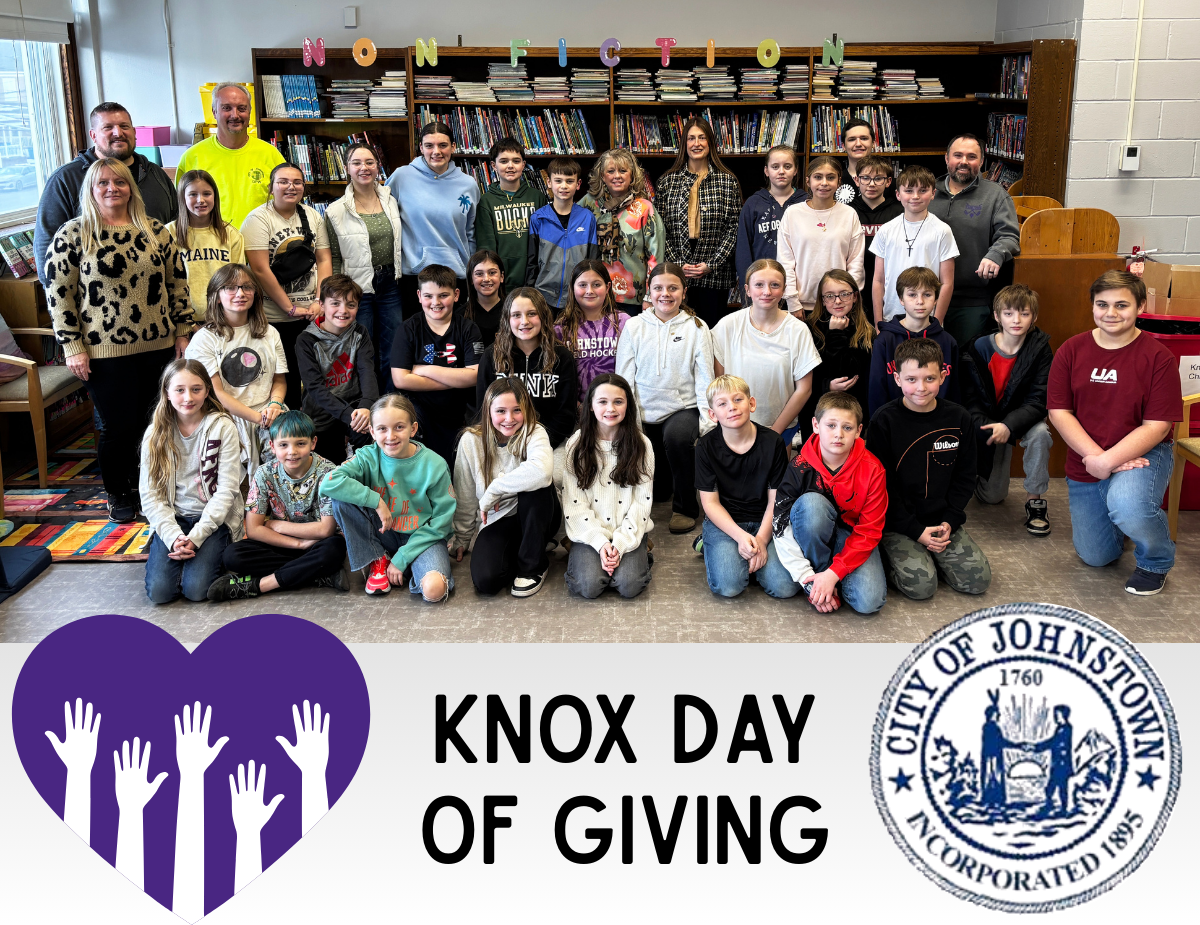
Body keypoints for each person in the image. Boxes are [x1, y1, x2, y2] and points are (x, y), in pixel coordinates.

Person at [45, 157, 192, 524]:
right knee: (118, 427)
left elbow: (177, 284)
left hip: (157, 346)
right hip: (103, 351)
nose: (112, 188)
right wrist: (72, 346)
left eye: (120, 182)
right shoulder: (73, 234)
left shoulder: (156, 230)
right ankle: (119, 491)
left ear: (131, 187)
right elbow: (58, 295)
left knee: (155, 423)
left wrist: (182, 331)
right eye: (103, 183)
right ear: (91, 190)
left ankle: (151, 488)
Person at [1047, 270, 1183, 596]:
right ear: (1092, 306)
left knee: (1129, 506)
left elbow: (1157, 426)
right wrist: (1097, 459)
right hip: (1088, 458)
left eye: (1121, 305)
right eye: (1102, 304)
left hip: (1143, 454)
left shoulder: (1158, 357)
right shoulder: (1071, 350)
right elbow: (1059, 412)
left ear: (1140, 306)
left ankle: (1155, 561)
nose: (1110, 313)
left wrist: (1108, 460)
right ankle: (1122, 516)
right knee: (1096, 557)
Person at [866, 338, 991, 600]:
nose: (921, 388)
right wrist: (915, 531)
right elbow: (881, 487)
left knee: (977, 581)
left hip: (941, 519)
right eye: (911, 379)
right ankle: (893, 559)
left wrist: (950, 520)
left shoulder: (959, 418)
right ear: (897, 378)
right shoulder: (884, 420)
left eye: (929, 379)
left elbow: (966, 476)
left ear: (943, 376)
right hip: (898, 522)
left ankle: (932, 556)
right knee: (922, 588)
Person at [321, 393, 456, 600]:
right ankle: (378, 559)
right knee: (341, 497)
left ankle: (408, 565)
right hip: (383, 533)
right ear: (372, 432)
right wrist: (376, 501)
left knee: (434, 591)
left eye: (399, 427)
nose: (390, 436)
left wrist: (403, 557)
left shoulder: (434, 465)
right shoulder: (367, 455)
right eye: (382, 429)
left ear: (413, 429)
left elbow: (442, 521)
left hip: (423, 538)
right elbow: (329, 482)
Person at [207, 410, 348, 601]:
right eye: (284, 445)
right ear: (272, 446)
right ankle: (316, 574)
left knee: (334, 549)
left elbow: (325, 529)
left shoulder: (329, 473)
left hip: (317, 543)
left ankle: (259, 585)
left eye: (300, 443)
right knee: (233, 555)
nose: (292, 452)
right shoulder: (264, 473)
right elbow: (254, 529)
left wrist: (279, 525)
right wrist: (298, 544)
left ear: (313, 443)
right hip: (283, 542)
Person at [616, 263, 714, 534]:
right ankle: (660, 489)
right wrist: (629, 418)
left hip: (681, 408)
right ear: (649, 291)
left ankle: (685, 508)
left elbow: (705, 377)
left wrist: (707, 421)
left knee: (678, 438)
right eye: (658, 288)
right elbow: (624, 376)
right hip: (644, 409)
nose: (665, 294)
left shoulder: (697, 327)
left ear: (684, 291)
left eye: (673, 288)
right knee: (658, 487)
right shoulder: (634, 326)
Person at [35, 101, 178, 288]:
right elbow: (47, 246)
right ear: (93, 135)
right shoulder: (66, 180)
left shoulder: (155, 174)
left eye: (124, 126)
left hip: (155, 298)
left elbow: (177, 228)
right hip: (95, 306)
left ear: (134, 132)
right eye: (108, 127)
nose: (118, 133)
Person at [772, 392, 887, 615]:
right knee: (780, 585)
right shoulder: (800, 465)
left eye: (847, 428)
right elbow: (780, 522)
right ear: (815, 425)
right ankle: (819, 581)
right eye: (831, 425)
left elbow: (870, 530)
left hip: (851, 538)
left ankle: (827, 580)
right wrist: (808, 578)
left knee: (869, 602)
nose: (838, 435)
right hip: (811, 534)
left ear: (859, 431)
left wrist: (834, 573)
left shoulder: (873, 469)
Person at [139, 359, 243, 604]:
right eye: (179, 390)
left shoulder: (222, 427)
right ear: (166, 393)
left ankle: (208, 555)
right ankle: (177, 552)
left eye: (196, 389)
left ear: (207, 390)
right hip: (173, 518)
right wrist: (174, 536)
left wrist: (196, 537)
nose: (188, 397)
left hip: (213, 520)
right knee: (160, 593)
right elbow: (150, 495)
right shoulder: (155, 434)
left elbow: (227, 490)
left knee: (196, 591)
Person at [452, 377, 559, 597]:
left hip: (537, 513)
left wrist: (495, 489)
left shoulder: (534, 432)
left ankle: (533, 566)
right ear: (488, 411)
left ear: (526, 410)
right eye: (500, 411)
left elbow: (542, 471)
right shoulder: (470, 441)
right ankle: (529, 548)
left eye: (517, 410)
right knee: (487, 581)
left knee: (535, 484)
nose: (509, 419)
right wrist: (462, 538)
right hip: (498, 518)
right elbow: (465, 494)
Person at [961, 284, 1054, 535]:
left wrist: (1010, 425)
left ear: (1033, 317)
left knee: (1041, 435)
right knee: (992, 497)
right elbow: (969, 399)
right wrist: (989, 428)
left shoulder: (1040, 348)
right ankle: (980, 479)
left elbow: (1039, 399)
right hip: (990, 420)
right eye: (1009, 313)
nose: (1016, 320)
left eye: (1024, 313)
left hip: (1022, 418)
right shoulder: (978, 348)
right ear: (996, 316)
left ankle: (1035, 500)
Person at [695, 375, 797, 600]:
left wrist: (760, 540)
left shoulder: (773, 443)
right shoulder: (705, 447)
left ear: (751, 403)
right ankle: (712, 546)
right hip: (726, 523)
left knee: (785, 587)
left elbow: (775, 501)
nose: (731, 407)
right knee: (729, 587)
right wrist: (741, 538)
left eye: (738, 399)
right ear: (713, 415)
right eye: (722, 404)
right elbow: (710, 503)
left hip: (764, 521)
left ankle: (744, 557)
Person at [241, 162, 332, 409]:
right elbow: (260, 269)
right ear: (271, 188)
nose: (291, 187)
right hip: (273, 317)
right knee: (280, 380)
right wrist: (289, 308)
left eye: (297, 182)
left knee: (312, 378)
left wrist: (318, 301)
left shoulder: (312, 215)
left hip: (310, 316)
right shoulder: (258, 219)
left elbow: (324, 258)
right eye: (283, 182)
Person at [185, 264, 288, 477]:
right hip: (226, 415)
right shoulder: (204, 339)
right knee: (235, 486)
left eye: (247, 287)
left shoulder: (270, 332)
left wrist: (275, 405)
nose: (240, 293)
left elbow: (279, 380)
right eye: (230, 288)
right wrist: (258, 419)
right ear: (216, 295)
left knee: (290, 459)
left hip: (269, 411)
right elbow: (216, 393)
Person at [562, 374, 655, 600]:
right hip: (590, 531)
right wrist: (601, 543)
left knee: (628, 586)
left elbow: (642, 503)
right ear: (591, 406)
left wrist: (621, 543)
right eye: (602, 401)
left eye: (618, 402)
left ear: (628, 406)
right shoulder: (576, 444)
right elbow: (574, 505)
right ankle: (581, 551)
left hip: (628, 528)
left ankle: (640, 549)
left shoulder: (641, 445)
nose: (610, 408)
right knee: (589, 586)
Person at [323, 142, 403, 391]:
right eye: (356, 163)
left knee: (393, 348)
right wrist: (337, 297)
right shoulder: (335, 211)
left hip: (391, 283)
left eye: (369, 162)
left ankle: (391, 402)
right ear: (347, 168)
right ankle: (366, 405)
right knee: (361, 350)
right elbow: (334, 257)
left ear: (378, 167)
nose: (364, 168)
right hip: (356, 290)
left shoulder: (391, 200)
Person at [929, 133, 1021, 349]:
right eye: (957, 155)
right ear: (946, 158)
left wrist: (995, 255)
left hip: (971, 301)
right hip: (925, 297)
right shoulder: (926, 192)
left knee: (964, 362)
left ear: (981, 162)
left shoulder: (996, 195)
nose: (963, 162)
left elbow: (1009, 236)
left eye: (971, 157)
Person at [713, 258, 819, 445]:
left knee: (776, 473)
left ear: (784, 290)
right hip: (733, 427)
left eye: (775, 285)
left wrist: (774, 433)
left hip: (780, 429)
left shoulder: (797, 330)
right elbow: (717, 381)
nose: (767, 292)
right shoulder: (727, 326)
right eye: (759, 285)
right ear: (747, 289)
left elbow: (804, 389)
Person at [390, 264, 483, 471]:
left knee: (455, 471)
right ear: (419, 295)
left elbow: (475, 376)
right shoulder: (408, 329)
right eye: (429, 296)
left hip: (459, 412)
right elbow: (401, 379)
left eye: (443, 295)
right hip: (420, 412)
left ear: (456, 294)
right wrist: (456, 379)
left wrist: (424, 369)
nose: (436, 302)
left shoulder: (468, 329)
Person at [655, 116, 743, 329]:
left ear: (710, 143)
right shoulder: (667, 181)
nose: (697, 143)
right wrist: (676, 264)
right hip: (677, 274)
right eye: (691, 138)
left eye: (702, 138)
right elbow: (659, 228)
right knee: (679, 335)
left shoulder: (727, 180)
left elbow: (733, 228)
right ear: (684, 144)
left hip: (715, 275)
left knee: (712, 334)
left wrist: (711, 265)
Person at [387, 121, 479, 320]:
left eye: (443, 145)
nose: (436, 151)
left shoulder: (468, 184)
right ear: (421, 148)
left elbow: (471, 232)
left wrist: (472, 271)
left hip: (457, 276)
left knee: (454, 341)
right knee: (418, 341)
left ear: (453, 147)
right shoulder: (402, 177)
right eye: (429, 145)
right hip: (415, 277)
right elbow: (385, 216)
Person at [477, 288, 579, 455]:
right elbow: (482, 408)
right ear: (507, 319)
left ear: (543, 316)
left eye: (532, 313)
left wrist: (536, 446)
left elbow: (565, 416)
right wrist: (505, 445)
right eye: (516, 315)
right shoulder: (492, 356)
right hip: (501, 444)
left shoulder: (562, 357)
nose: (524, 321)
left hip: (548, 444)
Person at [175, 83, 285, 227]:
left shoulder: (270, 154)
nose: (235, 115)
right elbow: (181, 209)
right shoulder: (192, 157)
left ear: (250, 112)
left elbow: (288, 203)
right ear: (214, 112)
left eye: (242, 108)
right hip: (212, 245)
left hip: (260, 244)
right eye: (226, 108)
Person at [295, 274, 379, 463]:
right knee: (329, 463)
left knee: (368, 439)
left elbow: (367, 372)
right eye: (335, 303)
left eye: (351, 305)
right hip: (321, 411)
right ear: (322, 306)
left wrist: (366, 406)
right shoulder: (306, 340)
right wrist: (348, 415)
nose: (343, 310)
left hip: (355, 405)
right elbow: (315, 388)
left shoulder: (360, 332)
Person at [870, 164, 958, 327]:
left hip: (927, 319)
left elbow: (947, 283)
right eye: (909, 190)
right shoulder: (886, 230)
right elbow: (878, 280)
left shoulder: (942, 231)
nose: (915, 196)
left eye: (923, 190)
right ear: (898, 194)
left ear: (933, 194)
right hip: (892, 317)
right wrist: (878, 322)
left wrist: (936, 323)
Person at [579, 148, 665, 312]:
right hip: (595, 295)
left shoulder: (644, 208)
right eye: (611, 171)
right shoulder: (589, 203)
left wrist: (650, 296)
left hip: (634, 298)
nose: (617, 176)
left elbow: (656, 256)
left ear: (632, 175)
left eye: (623, 171)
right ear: (603, 176)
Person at [777, 156, 865, 315]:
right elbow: (785, 262)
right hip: (801, 305)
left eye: (830, 178)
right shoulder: (792, 214)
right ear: (808, 181)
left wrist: (847, 299)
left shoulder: (849, 214)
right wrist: (792, 301)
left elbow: (856, 262)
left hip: (839, 305)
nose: (824, 183)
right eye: (818, 177)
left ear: (839, 182)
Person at [868, 266, 961, 418]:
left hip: (937, 423)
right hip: (894, 422)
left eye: (927, 294)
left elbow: (954, 391)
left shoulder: (948, 342)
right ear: (901, 299)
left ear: (936, 299)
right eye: (912, 295)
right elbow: (876, 390)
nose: (920, 301)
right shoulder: (885, 340)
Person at [797, 270, 874, 446]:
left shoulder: (866, 332)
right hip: (818, 408)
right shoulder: (809, 329)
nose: (837, 301)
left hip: (853, 410)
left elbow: (850, 372)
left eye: (844, 294)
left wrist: (838, 334)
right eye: (830, 296)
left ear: (855, 297)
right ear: (823, 300)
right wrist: (827, 385)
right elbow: (802, 375)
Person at [168, 169, 245, 324]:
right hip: (182, 324)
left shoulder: (231, 235)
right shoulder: (167, 233)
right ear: (182, 197)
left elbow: (237, 283)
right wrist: (185, 326)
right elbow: (166, 285)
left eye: (206, 194)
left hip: (224, 321)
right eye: (193, 194)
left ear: (215, 196)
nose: (200, 200)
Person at [525, 157, 599, 308]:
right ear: (549, 183)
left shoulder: (587, 218)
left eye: (569, 181)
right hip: (543, 296)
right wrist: (530, 294)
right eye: (558, 181)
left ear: (578, 184)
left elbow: (593, 260)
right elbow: (531, 262)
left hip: (577, 296)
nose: (563, 186)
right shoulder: (538, 218)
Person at [474, 137, 547, 287]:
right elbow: (487, 249)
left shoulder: (537, 198)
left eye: (516, 161)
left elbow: (544, 243)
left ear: (523, 165)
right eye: (504, 161)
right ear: (493, 165)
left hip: (534, 279)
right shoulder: (486, 202)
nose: (510, 166)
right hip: (500, 282)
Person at [734, 144, 806, 294]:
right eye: (775, 167)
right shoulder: (753, 204)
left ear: (796, 170)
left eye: (787, 166)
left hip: (799, 284)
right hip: (763, 284)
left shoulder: (806, 202)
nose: (781, 171)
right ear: (766, 171)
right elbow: (743, 249)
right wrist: (747, 287)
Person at [554, 260, 630, 395]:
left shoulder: (624, 323)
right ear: (572, 288)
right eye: (583, 285)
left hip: (614, 406)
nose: (589, 291)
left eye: (596, 285)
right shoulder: (560, 329)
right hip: (575, 409)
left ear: (607, 288)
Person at [851, 154, 904, 325]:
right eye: (865, 178)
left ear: (889, 182)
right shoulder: (847, 211)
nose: (871, 184)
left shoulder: (899, 212)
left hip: (889, 284)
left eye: (878, 179)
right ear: (856, 180)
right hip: (856, 283)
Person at [464, 249, 507, 348]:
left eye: (492, 273)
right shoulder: (461, 316)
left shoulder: (513, 312)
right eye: (479, 274)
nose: (486, 279)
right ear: (471, 279)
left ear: (501, 277)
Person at [834, 118, 877, 209]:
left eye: (864, 138)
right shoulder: (835, 181)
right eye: (852, 139)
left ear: (873, 143)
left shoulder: (887, 182)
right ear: (843, 146)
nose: (858, 144)